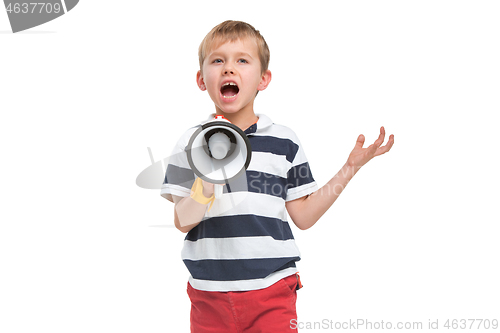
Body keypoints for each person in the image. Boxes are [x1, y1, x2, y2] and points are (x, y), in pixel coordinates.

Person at [160, 20, 394, 332]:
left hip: (272, 292)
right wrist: (207, 181)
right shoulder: (189, 143)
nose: (229, 68)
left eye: (242, 60)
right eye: (218, 60)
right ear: (202, 79)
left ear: (263, 79)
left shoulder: (284, 141)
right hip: (208, 296)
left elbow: (304, 216)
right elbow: (183, 221)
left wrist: (349, 168)